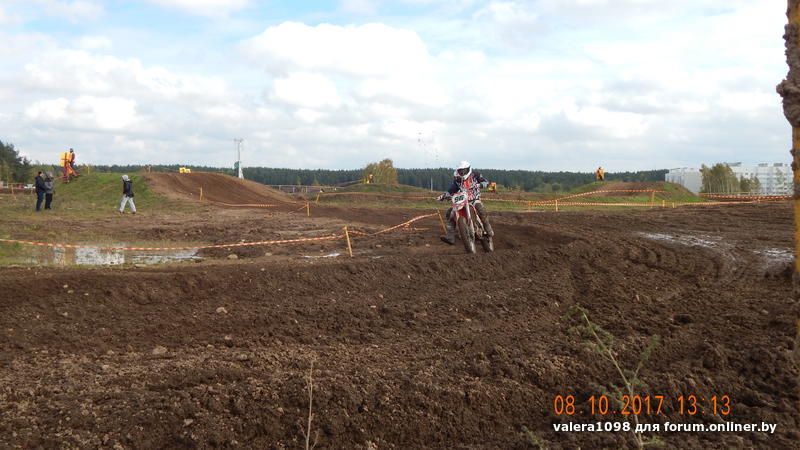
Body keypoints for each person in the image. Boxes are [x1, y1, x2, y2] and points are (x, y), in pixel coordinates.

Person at [436, 161, 493, 245]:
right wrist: (443, 196)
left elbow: (485, 182)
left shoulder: (475, 175)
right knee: (450, 213)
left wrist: (480, 185)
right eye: (460, 171)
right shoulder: (457, 180)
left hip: (474, 199)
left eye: (464, 170)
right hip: (461, 201)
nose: (462, 173)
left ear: (468, 169)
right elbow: (451, 190)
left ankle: (488, 229)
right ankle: (450, 237)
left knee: (480, 209)